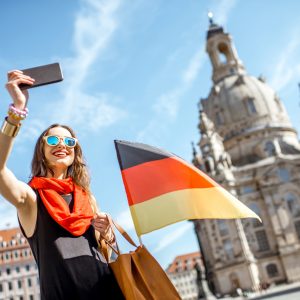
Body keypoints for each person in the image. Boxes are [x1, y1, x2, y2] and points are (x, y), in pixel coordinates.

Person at [0, 70, 124, 299]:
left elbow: (104, 253)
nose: (62, 144)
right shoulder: (31, 198)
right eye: (53, 140)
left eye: (69, 141)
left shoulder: (86, 196)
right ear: (42, 150)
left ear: (75, 152)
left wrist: (107, 232)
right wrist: (17, 111)